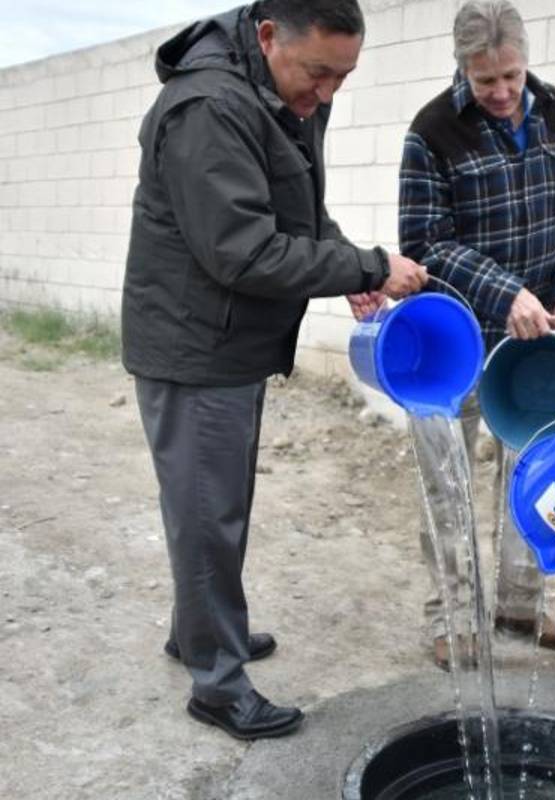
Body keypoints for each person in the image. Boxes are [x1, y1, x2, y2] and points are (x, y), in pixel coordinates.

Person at [123, 0, 427, 740]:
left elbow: (297, 212)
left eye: (343, 77)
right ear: (267, 37)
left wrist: (353, 263)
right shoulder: (207, 108)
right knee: (208, 511)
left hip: (225, 342)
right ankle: (217, 683)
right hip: (195, 346)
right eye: (320, 72)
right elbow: (244, 249)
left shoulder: (275, 92)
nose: (326, 93)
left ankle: (196, 630)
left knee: (213, 503)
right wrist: (368, 266)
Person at [396, 0, 555, 671]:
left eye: (511, 75)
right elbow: (424, 243)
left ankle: (521, 600)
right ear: (462, 68)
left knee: (532, 472)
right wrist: (504, 291)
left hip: (533, 343)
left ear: (524, 58)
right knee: (447, 483)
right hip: (450, 342)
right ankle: (452, 615)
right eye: (486, 81)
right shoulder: (431, 132)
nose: (502, 93)